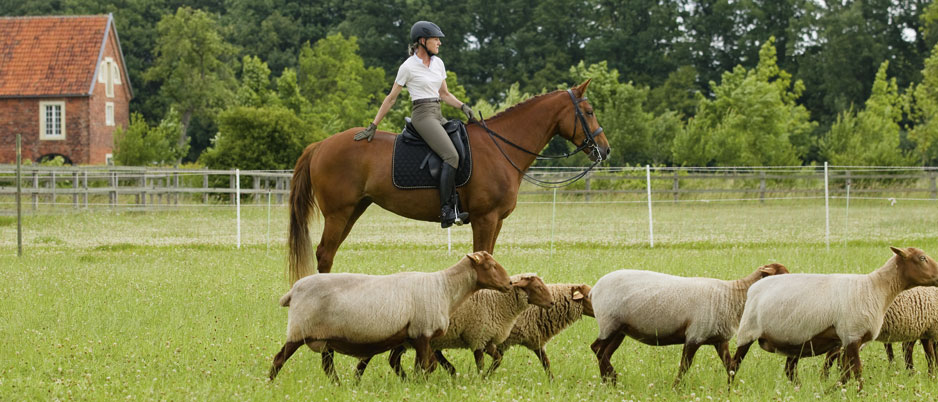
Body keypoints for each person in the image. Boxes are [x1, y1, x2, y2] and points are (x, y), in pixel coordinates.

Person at [354, 21, 473, 228]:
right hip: (423, 116)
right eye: (436, 39)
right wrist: (373, 125)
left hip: (438, 113)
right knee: (451, 155)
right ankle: (446, 209)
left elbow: (444, 94)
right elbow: (391, 98)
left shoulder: (438, 63)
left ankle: (458, 200)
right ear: (422, 41)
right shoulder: (408, 67)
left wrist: (463, 106)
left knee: (461, 146)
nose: (439, 43)